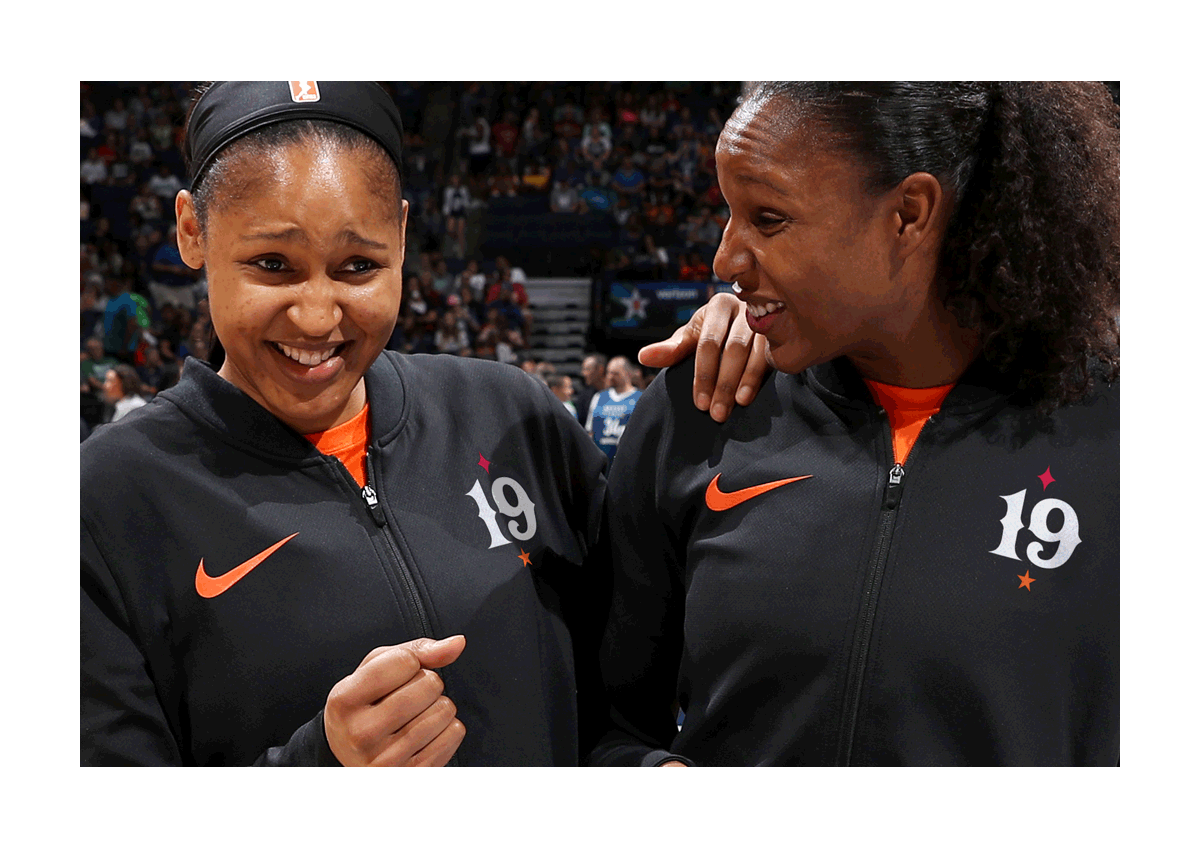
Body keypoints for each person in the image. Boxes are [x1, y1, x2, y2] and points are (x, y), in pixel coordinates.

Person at [80, 80, 765, 768]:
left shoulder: (513, 417)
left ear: (403, 237)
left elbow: (622, 702)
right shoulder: (109, 499)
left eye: (358, 266)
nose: (317, 315)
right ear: (192, 230)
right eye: (272, 265)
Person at [592, 81, 1120, 767]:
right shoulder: (700, 408)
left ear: (909, 212)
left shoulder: (1104, 439)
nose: (724, 260)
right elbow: (602, 721)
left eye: (769, 218)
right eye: (729, 213)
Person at [585, 356, 642, 468]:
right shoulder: (599, 397)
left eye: (615, 373)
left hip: (628, 462)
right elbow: (589, 431)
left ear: (627, 374)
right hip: (602, 462)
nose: (610, 377)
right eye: (609, 373)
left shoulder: (640, 397)